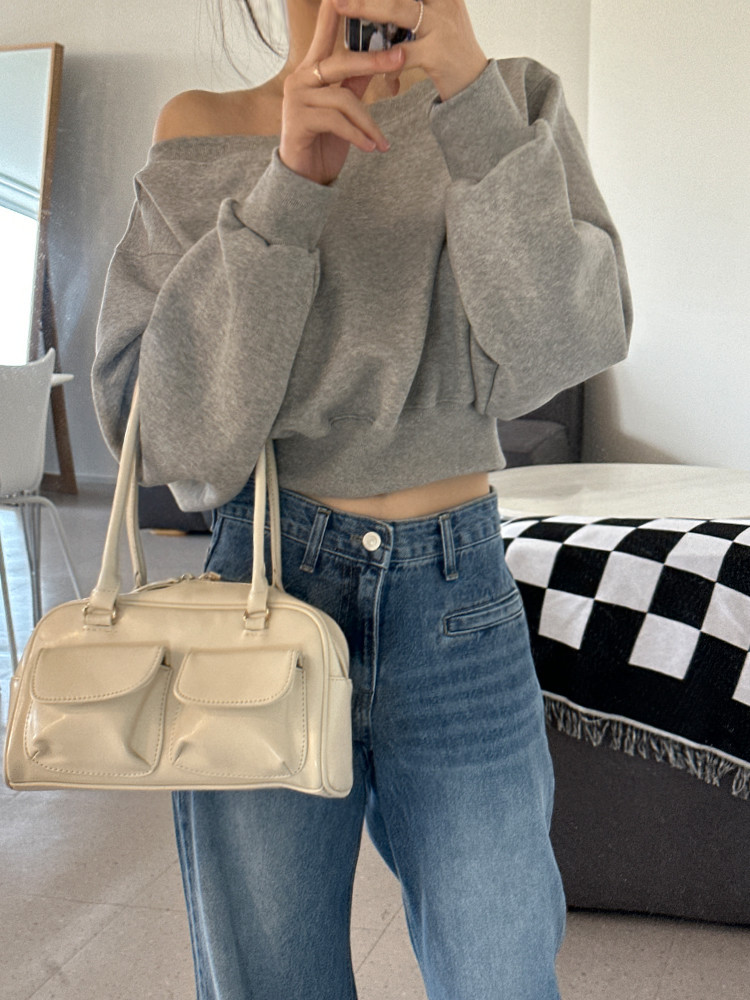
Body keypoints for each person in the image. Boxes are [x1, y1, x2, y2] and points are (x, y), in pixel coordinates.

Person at [92, 1, 632, 996]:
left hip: (458, 600)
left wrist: (472, 105)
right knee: (270, 982)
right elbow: (157, 432)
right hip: (262, 595)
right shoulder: (203, 128)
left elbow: (572, 343)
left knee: (504, 976)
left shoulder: (510, 99)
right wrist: (289, 183)